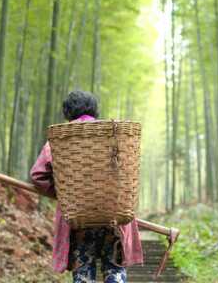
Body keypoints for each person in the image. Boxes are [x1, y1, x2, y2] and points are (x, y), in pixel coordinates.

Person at [30, 90, 143, 283]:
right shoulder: (116, 135)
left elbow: (38, 176)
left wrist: (65, 193)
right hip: (113, 218)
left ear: (67, 113)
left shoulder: (60, 140)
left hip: (78, 222)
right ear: (94, 110)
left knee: (83, 276)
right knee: (115, 272)